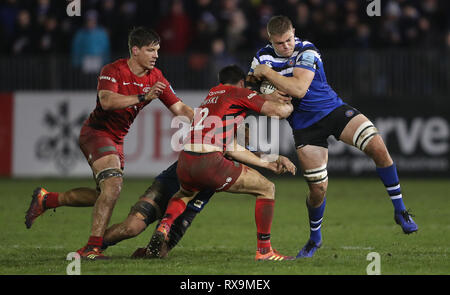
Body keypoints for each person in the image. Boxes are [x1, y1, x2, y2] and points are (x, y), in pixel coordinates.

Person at [247, 16, 418, 258]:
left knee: (378, 147)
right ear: (270, 41)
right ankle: (315, 238)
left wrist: (267, 74)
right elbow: (249, 90)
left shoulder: (307, 50)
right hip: (305, 127)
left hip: (334, 111)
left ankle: (400, 210)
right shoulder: (261, 56)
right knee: (318, 189)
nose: (286, 46)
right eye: (280, 43)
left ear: (294, 32)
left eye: (289, 40)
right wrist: (268, 96)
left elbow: (299, 89)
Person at [25, 27, 194, 260]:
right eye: (150, 50)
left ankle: (48, 199)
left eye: (157, 50)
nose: (156, 55)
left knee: (103, 194)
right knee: (113, 186)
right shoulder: (113, 70)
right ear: (135, 51)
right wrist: (144, 97)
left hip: (116, 140)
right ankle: (92, 248)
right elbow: (106, 101)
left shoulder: (156, 77)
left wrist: (210, 120)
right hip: (96, 133)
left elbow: (180, 109)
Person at [140, 64, 297, 261]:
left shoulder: (212, 96)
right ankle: (265, 251)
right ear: (241, 82)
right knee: (267, 189)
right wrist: (291, 101)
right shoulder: (237, 92)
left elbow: (230, 147)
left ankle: (165, 226)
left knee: (185, 193)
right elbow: (279, 112)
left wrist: (267, 163)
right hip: (209, 163)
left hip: (186, 160)